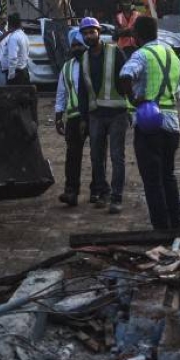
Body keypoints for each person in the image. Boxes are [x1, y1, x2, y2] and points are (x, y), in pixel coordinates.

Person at [57, 17, 129, 213]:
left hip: (116, 113)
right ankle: (103, 193)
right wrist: (83, 117)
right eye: (85, 33)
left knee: (116, 157)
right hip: (95, 115)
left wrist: (131, 110)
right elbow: (82, 92)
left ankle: (116, 197)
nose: (89, 36)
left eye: (92, 32)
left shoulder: (115, 52)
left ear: (98, 32)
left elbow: (127, 80)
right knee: (96, 156)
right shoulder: (85, 59)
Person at [117, 15, 180, 231]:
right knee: (168, 177)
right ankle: (176, 228)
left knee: (153, 182)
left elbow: (125, 75)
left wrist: (134, 99)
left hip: (149, 123)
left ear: (137, 35)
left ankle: (161, 231)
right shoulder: (171, 54)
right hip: (172, 123)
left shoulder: (142, 54)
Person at [54, 38, 91, 207]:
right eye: (73, 45)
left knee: (97, 155)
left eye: (79, 45)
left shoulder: (94, 62)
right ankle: (71, 191)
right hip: (74, 117)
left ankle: (98, 190)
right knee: (72, 155)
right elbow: (61, 92)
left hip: (93, 115)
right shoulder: (67, 66)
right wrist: (58, 115)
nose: (76, 48)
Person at [1, 13, 31, 85]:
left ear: (10, 24)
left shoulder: (14, 37)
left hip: (16, 74)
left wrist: (11, 75)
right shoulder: (24, 35)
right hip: (23, 70)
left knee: (14, 95)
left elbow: (13, 58)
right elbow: (27, 53)